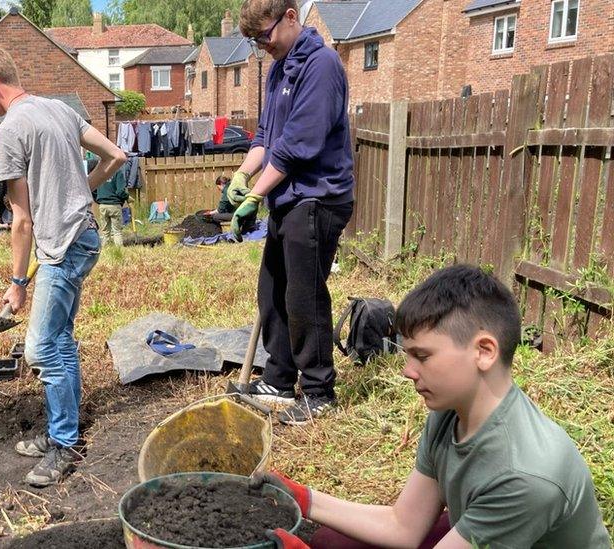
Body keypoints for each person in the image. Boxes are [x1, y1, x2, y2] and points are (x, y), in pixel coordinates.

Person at [251, 265, 611, 549]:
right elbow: (403, 526)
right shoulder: (450, 409)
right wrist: (304, 499)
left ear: (484, 352)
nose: (408, 372)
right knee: (329, 541)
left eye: (422, 356)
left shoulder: (526, 477)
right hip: (482, 531)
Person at [0, 41, 125, 487]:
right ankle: (62, 428)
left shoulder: (10, 130)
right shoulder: (59, 109)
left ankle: (65, 443)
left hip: (62, 247)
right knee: (61, 339)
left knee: (39, 348)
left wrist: (17, 282)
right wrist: (84, 190)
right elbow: (117, 156)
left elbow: (21, 219)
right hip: (86, 237)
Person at [226, 0, 354, 423]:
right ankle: (278, 380)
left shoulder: (322, 65)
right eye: (255, 41)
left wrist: (255, 196)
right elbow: (266, 136)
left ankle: (318, 391)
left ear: (292, 17)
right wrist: (242, 176)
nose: (263, 46)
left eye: (266, 35)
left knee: (304, 294)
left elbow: (299, 144)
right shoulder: (279, 68)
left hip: (318, 196)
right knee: (272, 288)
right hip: (288, 196)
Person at [94, 161, 129, 247]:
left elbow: (93, 189)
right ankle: (119, 253)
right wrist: (127, 197)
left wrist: (99, 199)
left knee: (105, 232)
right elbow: (120, 191)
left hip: (102, 206)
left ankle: (105, 252)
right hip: (114, 205)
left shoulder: (100, 173)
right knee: (117, 231)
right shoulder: (118, 172)